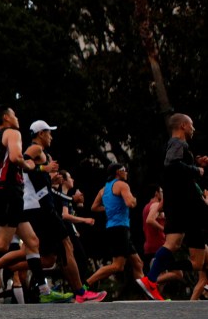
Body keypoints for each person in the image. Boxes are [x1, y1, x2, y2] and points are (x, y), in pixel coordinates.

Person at [0, 107, 64, 303]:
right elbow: (17, 158)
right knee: (2, 244)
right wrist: (37, 168)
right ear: (6, 118)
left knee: (32, 242)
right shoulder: (13, 133)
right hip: (10, 192)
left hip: (5, 191)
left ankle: (44, 291)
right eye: (14, 115)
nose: (17, 118)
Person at [21, 122, 103, 303]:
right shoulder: (35, 148)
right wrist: (44, 169)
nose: (51, 136)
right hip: (40, 207)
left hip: (38, 206)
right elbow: (23, 162)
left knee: (48, 257)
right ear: (41, 133)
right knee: (67, 245)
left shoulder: (43, 153)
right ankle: (80, 292)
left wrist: (50, 178)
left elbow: (34, 178)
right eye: (49, 133)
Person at [138, 113, 208, 301]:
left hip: (176, 203)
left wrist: (194, 163)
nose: (193, 128)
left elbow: (175, 171)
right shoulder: (179, 143)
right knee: (197, 261)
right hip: (189, 205)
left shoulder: (170, 145)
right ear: (184, 126)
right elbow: (173, 165)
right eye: (191, 125)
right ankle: (156, 269)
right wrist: (196, 170)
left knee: (173, 244)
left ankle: (152, 277)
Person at [86, 163, 146, 295]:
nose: (127, 172)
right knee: (118, 266)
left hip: (114, 228)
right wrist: (135, 200)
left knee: (138, 263)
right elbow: (130, 203)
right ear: (118, 172)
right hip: (120, 229)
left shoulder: (104, 189)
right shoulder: (122, 185)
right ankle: (85, 285)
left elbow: (94, 207)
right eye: (124, 170)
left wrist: (110, 208)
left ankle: (147, 295)